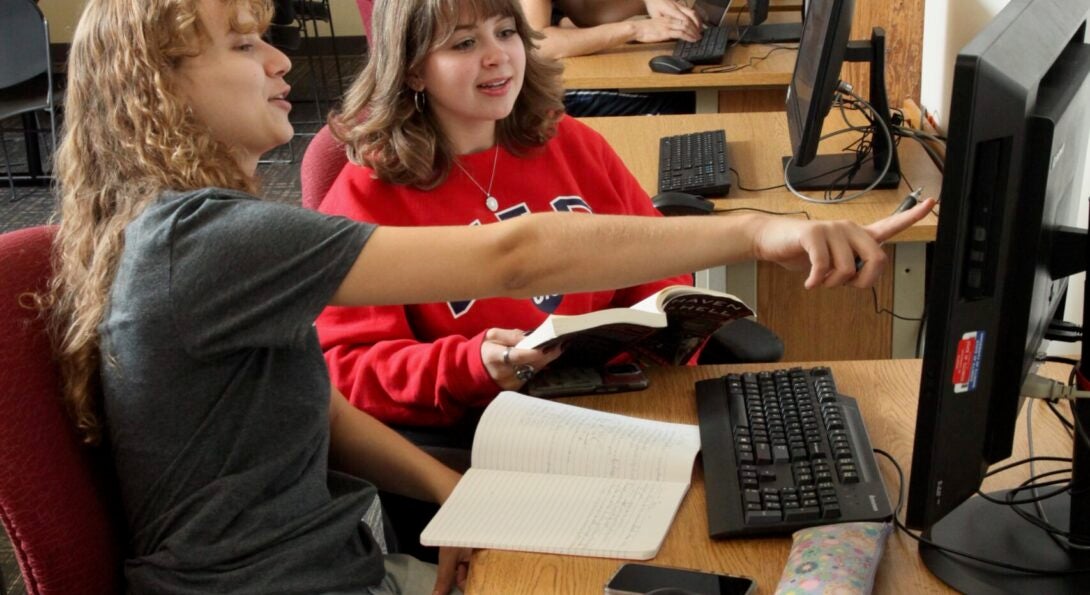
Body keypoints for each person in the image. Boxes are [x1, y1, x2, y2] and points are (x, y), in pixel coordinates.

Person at [47, 0, 931, 593]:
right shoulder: (205, 241)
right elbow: (513, 255)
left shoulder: (197, 232)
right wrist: (752, 233)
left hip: (329, 560)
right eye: (244, 45)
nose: (281, 59)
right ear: (156, 91)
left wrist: (454, 501)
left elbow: (315, 402)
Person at [318, 0, 691, 449]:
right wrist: (471, 364)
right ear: (414, 70)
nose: (496, 56)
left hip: (622, 402)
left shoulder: (568, 140)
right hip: (488, 434)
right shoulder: (369, 192)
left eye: (506, 32)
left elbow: (653, 261)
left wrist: (662, 333)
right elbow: (345, 368)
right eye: (465, 43)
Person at [519, 0, 717, 116]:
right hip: (529, 97)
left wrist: (647, 1)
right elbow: (537, 44)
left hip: (540, 81)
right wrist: (636, 30)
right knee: (670, 102)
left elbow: (585, 14)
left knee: (681, 94)